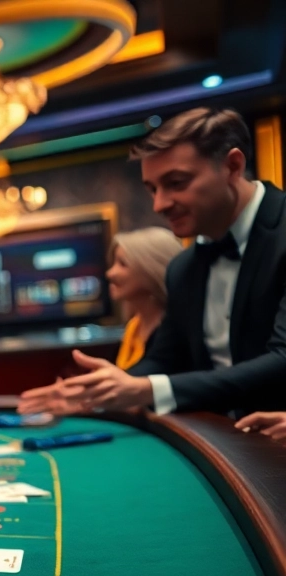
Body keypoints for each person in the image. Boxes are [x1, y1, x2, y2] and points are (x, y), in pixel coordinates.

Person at [28, 107, 286, 416]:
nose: (159, 204)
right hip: (218, 444)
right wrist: (97, 393)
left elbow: (282, 358)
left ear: (232, 166)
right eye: (152, 189)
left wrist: (148, 389)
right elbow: (165, 359)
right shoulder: (183, 267)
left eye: (176, 183)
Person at [18, 228, 183, 414]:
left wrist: (86, 398)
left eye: (123, 264)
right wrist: (85, 400)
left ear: (151, 268)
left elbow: (142, 387)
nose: (110, 273)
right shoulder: (133, 327)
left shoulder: (177, 331)